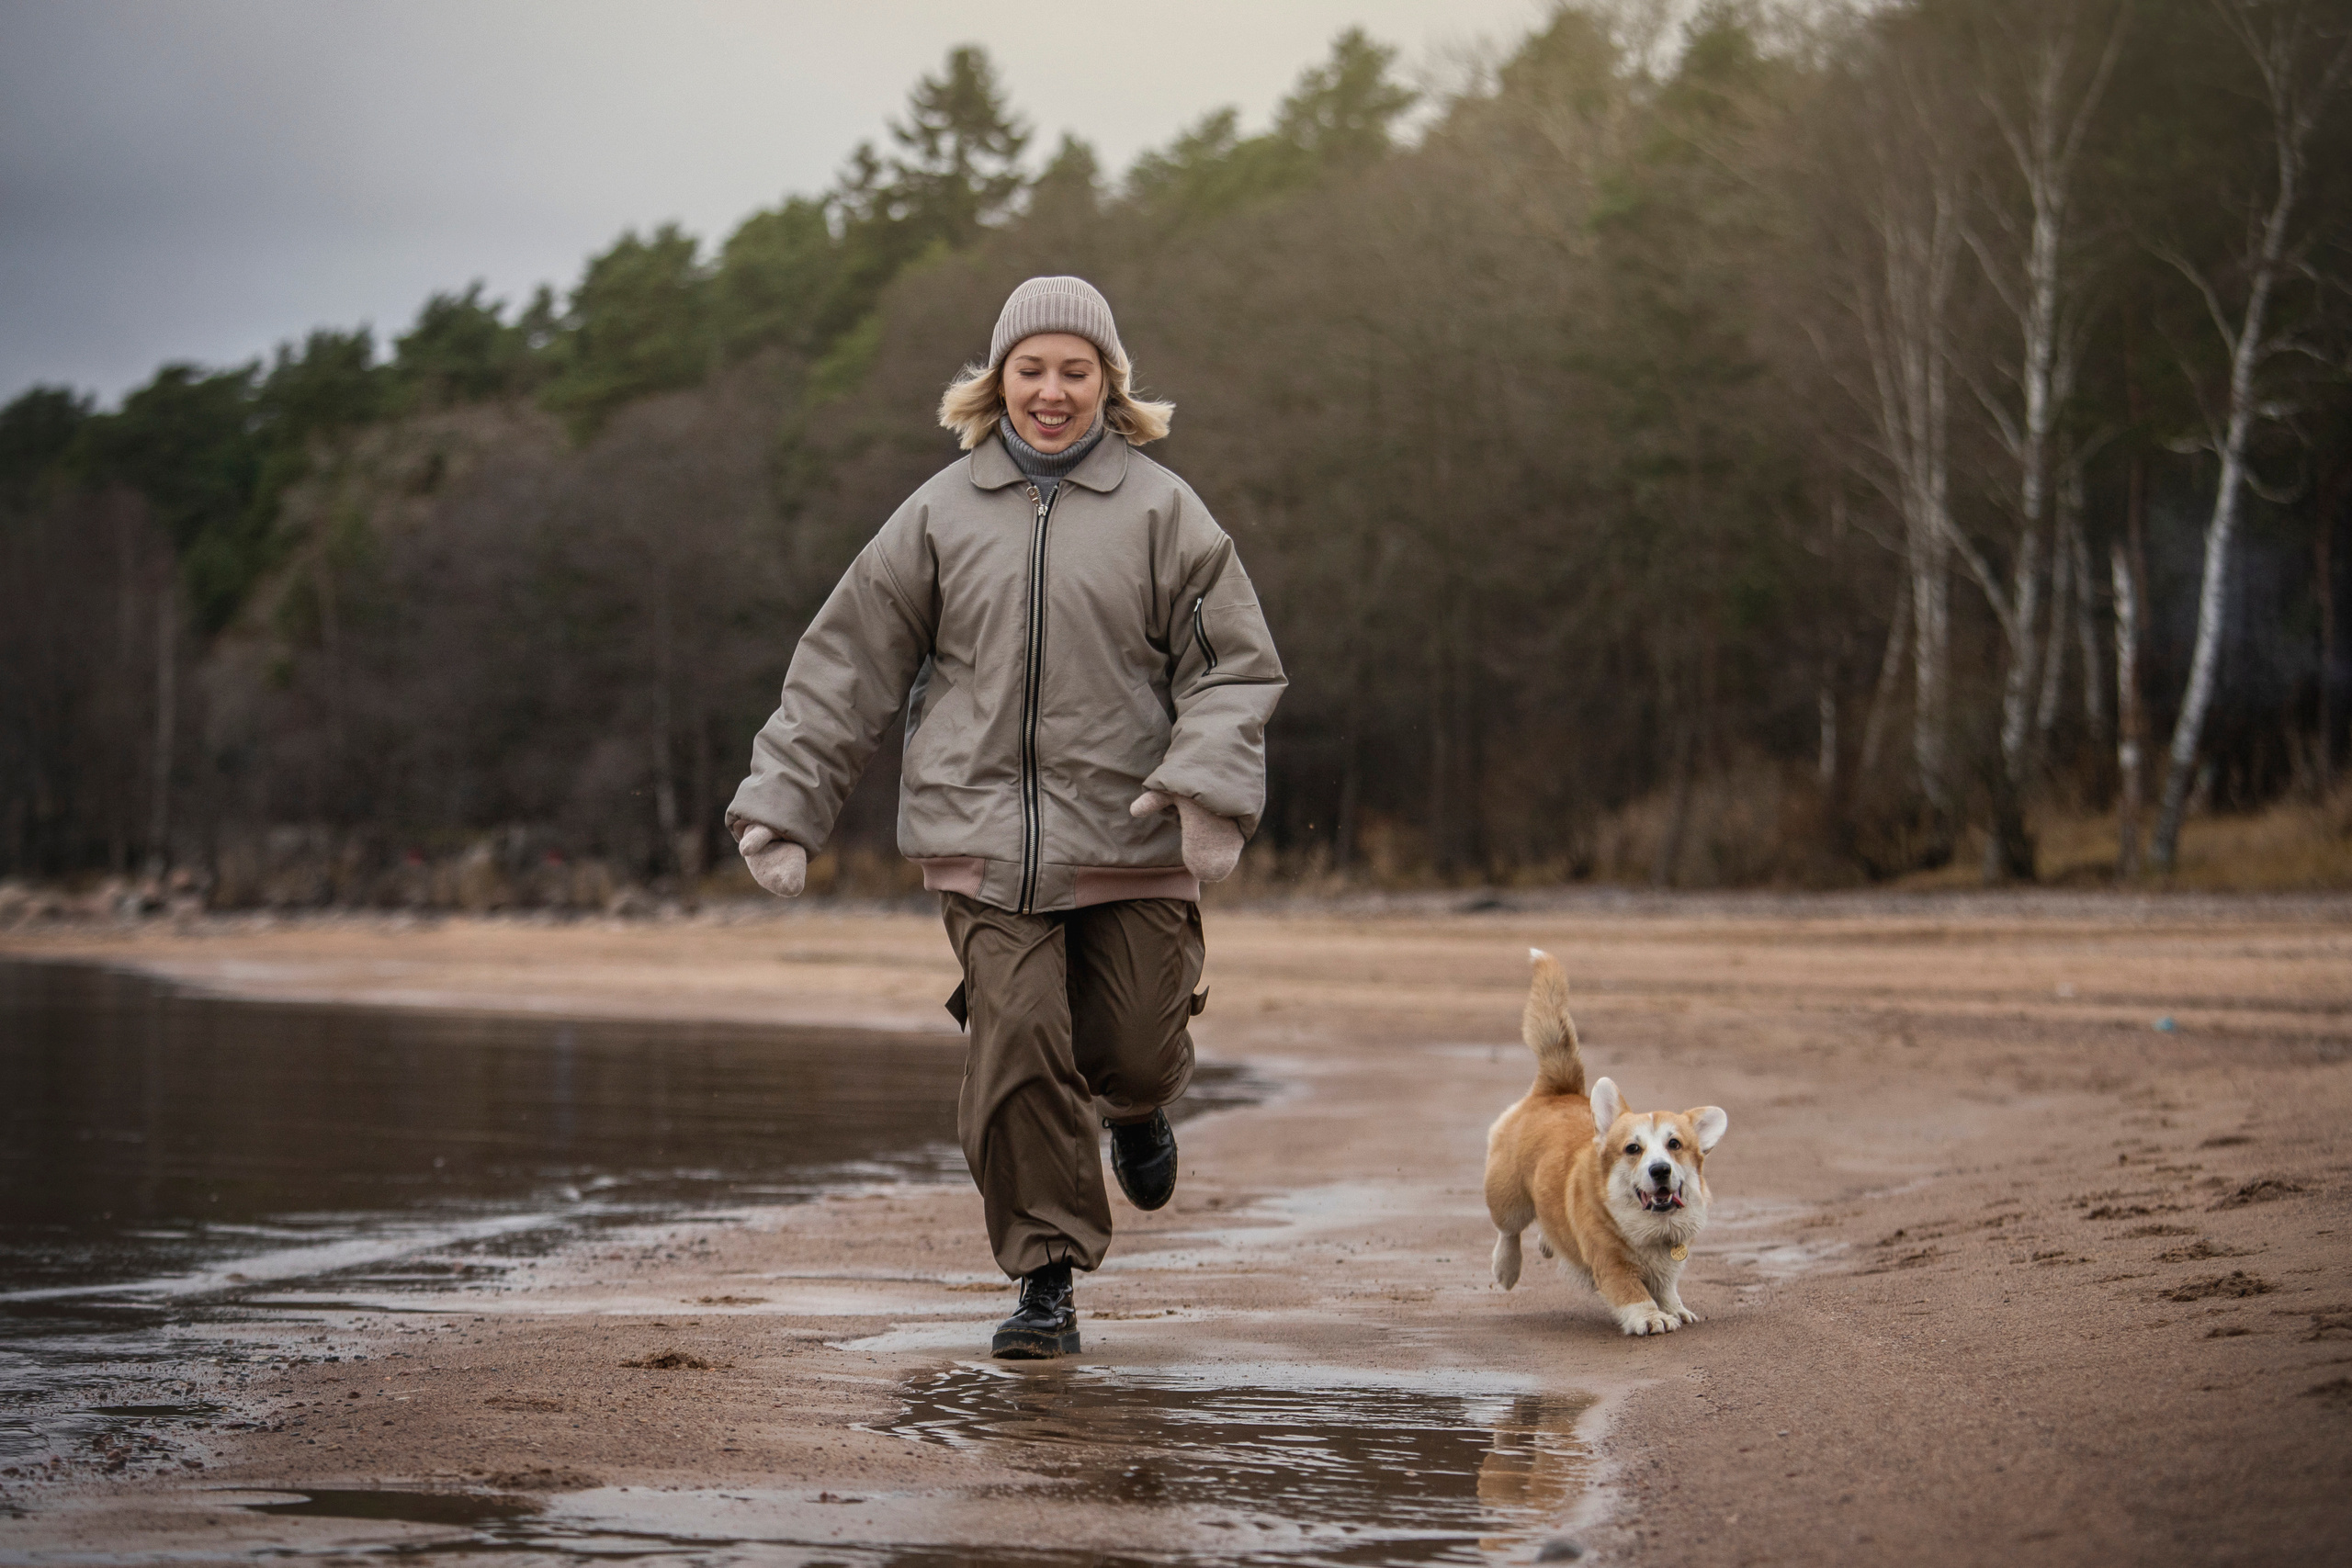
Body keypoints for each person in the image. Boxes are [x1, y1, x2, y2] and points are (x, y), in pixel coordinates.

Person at [725, 276, 1285, 1359]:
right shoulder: (937, 513)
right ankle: (1045, 1275)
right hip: (977, 839)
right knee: (1018, 1040)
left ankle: (1136, 1110)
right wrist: (786, 803)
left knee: (1127, 1046)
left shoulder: (1167, 511)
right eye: (1031, 369)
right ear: (997, 381)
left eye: (1075, 370)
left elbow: (1233, 668)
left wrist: (1208, 785)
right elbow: (845, 664)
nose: (1051, 391)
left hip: (1129, 834)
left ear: (1109, 385)